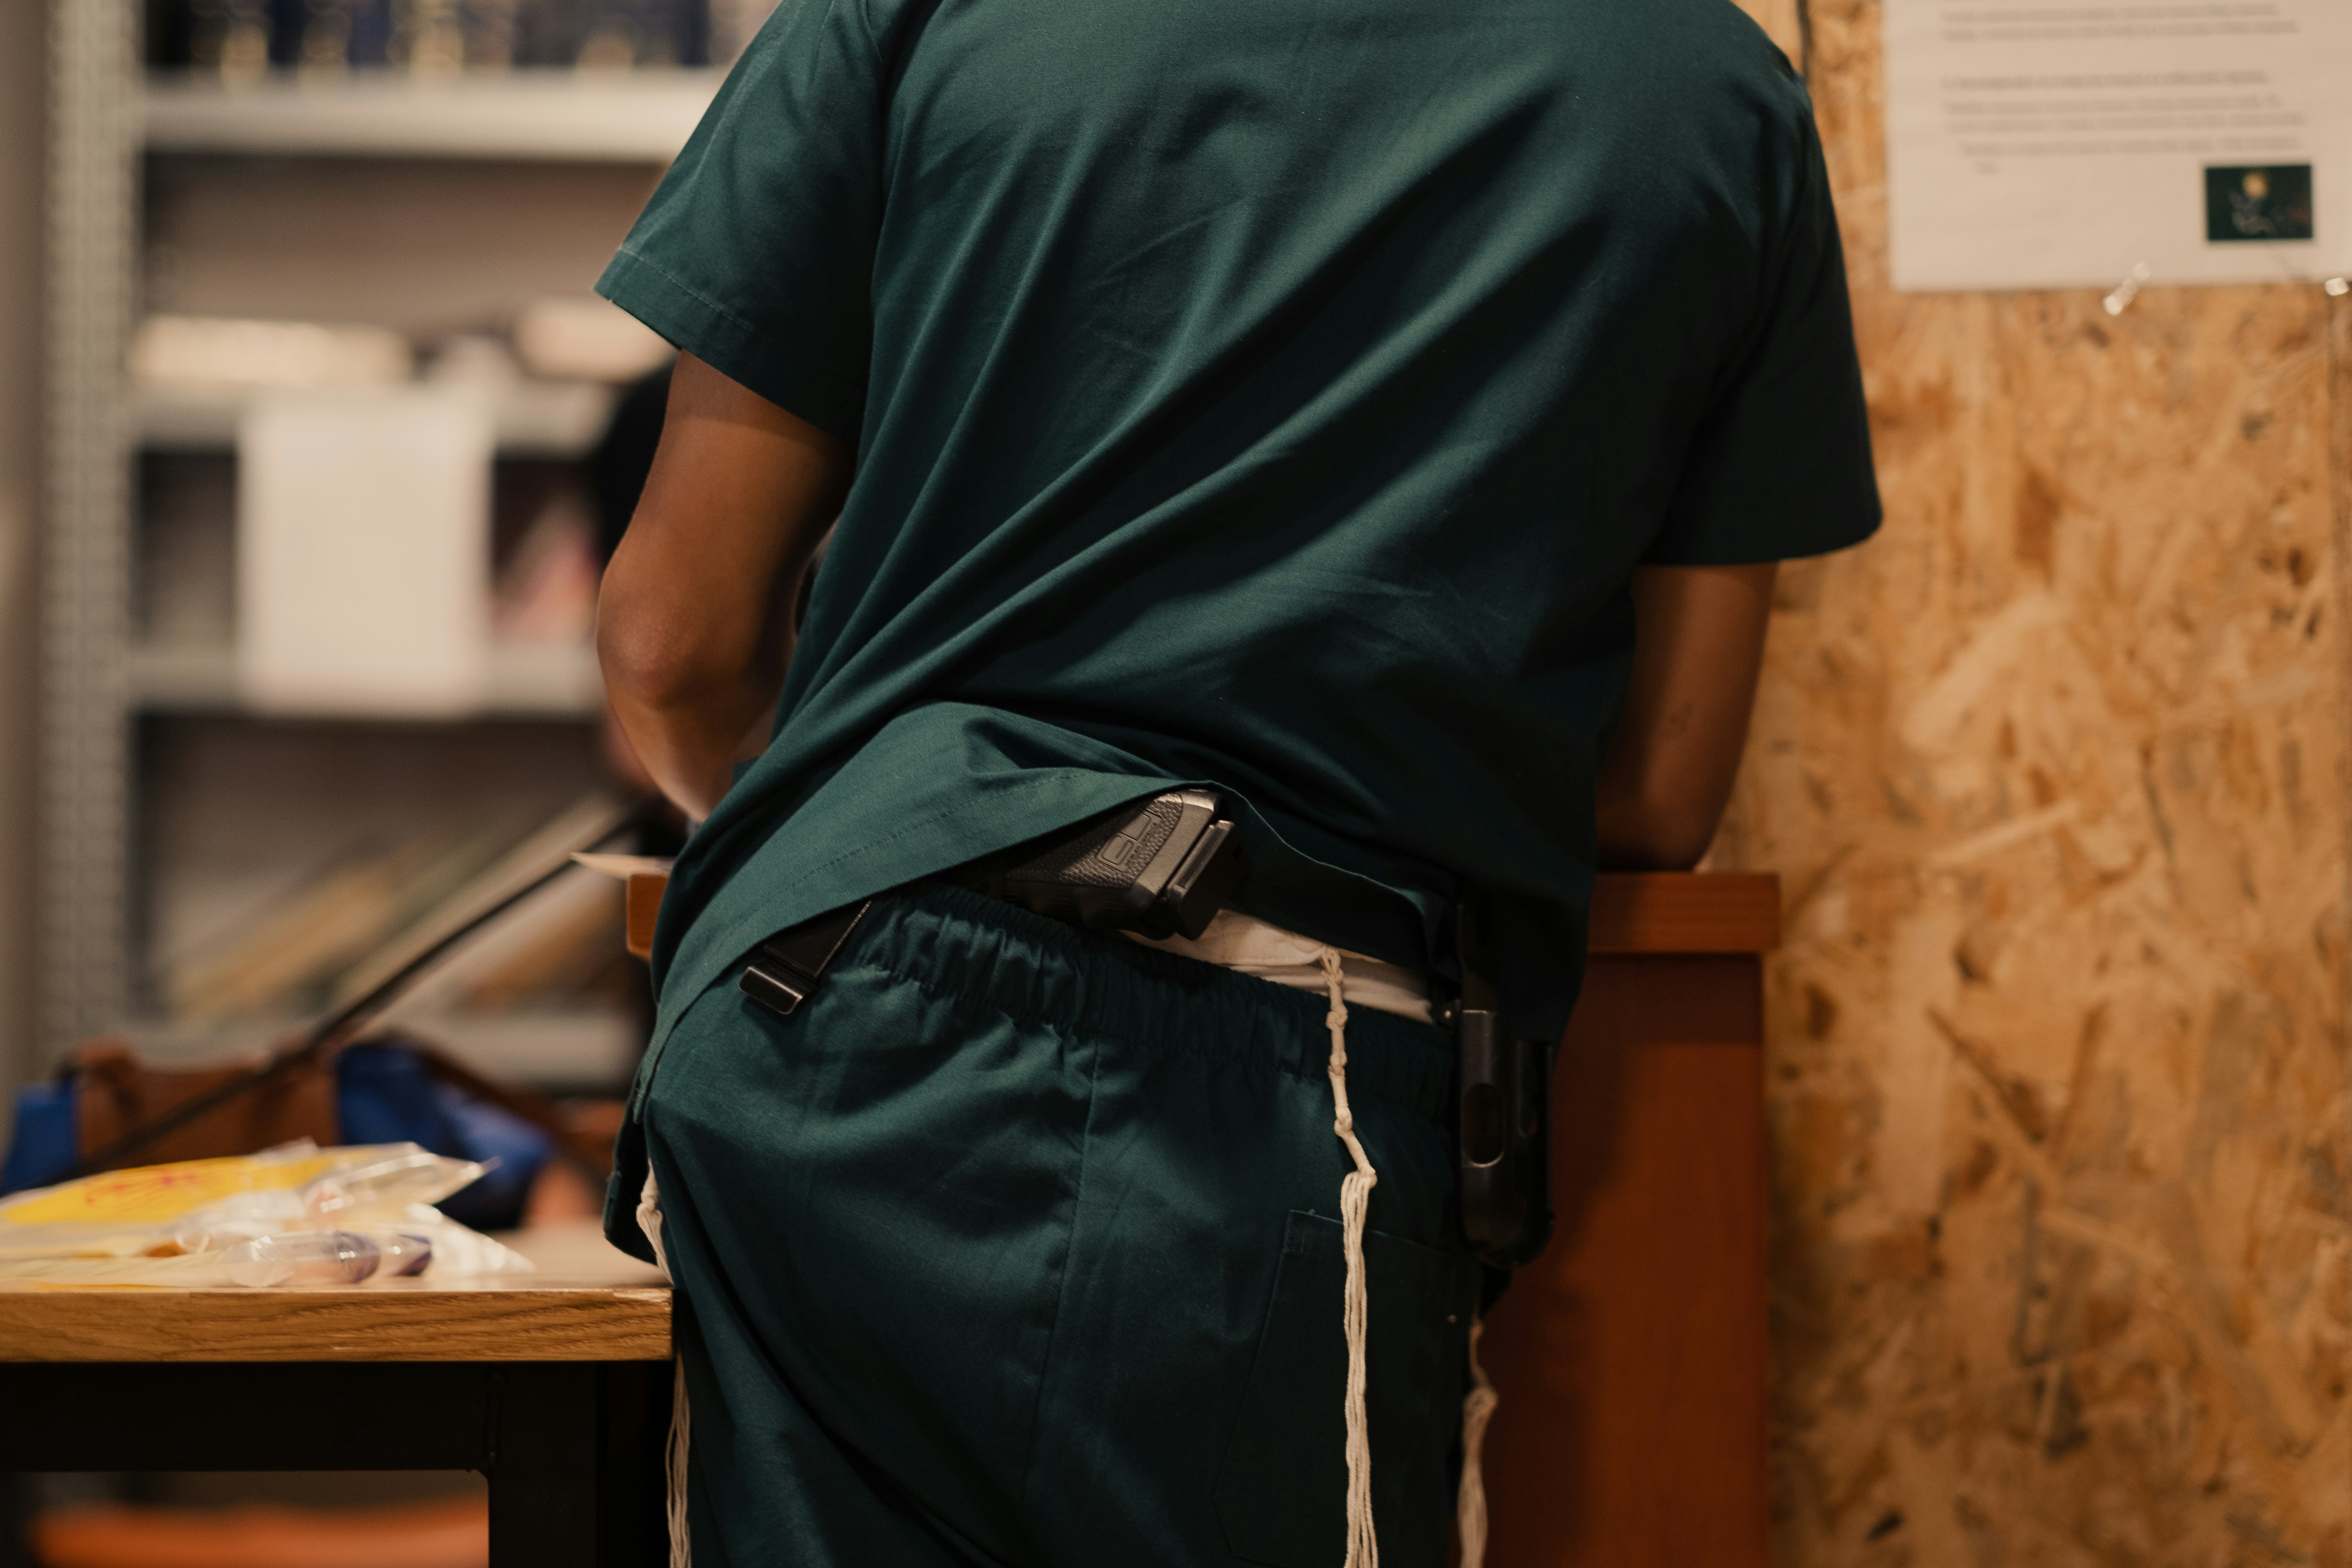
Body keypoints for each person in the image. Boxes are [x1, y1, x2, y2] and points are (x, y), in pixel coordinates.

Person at [591, 0, 1881, 1560]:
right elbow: (1665, 786)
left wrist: (867, 829)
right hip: (1276, 1070)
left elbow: (667, 643)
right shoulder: (1712, 90)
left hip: (815, 1027)